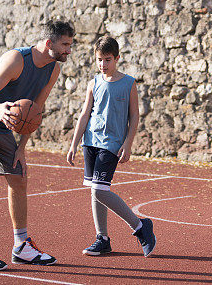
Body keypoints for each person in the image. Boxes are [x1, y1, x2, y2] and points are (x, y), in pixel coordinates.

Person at [0, 19, 75, 271]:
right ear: (48, 42)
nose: (69, 50)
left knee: (18, 178)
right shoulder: (16, 60)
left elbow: (35, 112)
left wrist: (21, 148)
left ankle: (21, 246)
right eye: (65, 44)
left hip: (3, 124)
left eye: (70, 45)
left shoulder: (53, 69)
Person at [67, 35, 156, 257]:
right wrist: (74, 144)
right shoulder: (93, 83)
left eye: (107, 59)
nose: (103, 65)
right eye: (99, 60)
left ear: (117, 58)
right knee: (94, 191)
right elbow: (85, 113)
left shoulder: (129, 83)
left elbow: (134, 116)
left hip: (112, 144)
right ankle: (102, 239)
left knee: (100, 189)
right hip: (91, 142)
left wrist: (129, 143)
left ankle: (139, 226)